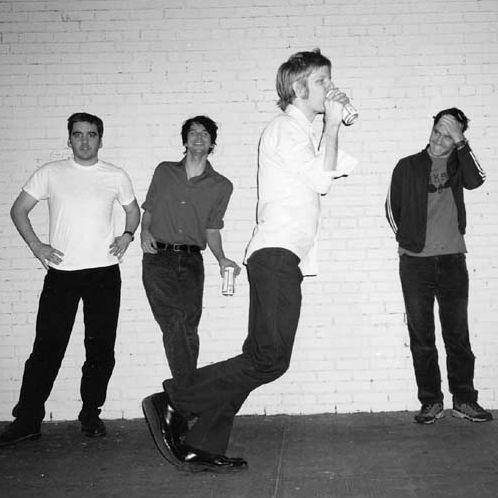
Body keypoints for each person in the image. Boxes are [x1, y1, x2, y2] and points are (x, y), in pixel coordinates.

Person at [141, 49, 356, 473]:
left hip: (281, 256)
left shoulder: (299, 133)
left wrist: (331, 126)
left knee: (259, 356)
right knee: (269, 358)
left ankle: (202, 442)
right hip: (275, 256)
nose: (330, 88)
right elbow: (322, 180)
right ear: (298, 88)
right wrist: (332, 124)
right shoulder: (284, 128)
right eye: (322, 81)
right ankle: (174, 399)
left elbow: (322, 171)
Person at [0, 112, 140, 447]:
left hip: (104, 274)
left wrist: (127, 235)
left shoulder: (115, 175)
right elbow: (18, 210)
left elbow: (133, 211)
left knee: (100, 348)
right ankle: (28, 420)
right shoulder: (51, 173)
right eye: (78, 134)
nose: (85, 140)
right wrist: (37, 246)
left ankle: (90, 414)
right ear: (69, 139)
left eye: (91, 134)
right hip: (62, 275)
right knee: (47, 348)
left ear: (100, 140)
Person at [385, 108, 492, 424]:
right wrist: (409, 241)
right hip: (415, 263)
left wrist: (462, 143)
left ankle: (464, 400)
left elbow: (477, 180)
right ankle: (431, 401)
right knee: (421, 336)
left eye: (448, 136)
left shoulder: (460, 164)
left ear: (457, 138)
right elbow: (392, 208)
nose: (438, 140)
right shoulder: (407, 166)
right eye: (436, 132)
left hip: (453, 260)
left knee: (458, 334)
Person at [141, 115, 240, 391]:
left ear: (212, 144)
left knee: (188, 326)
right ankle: (188, 392)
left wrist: (221, 258)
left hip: (192, 260)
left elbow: (212, 228)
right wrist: (144, 231)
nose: (198, 137)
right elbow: (149, 210)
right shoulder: (164, 171)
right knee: (173, 321)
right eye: (193, 132)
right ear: (185, 141)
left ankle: (186, 395)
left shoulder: (222, 185)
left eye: (205, 133)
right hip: (158, 257)